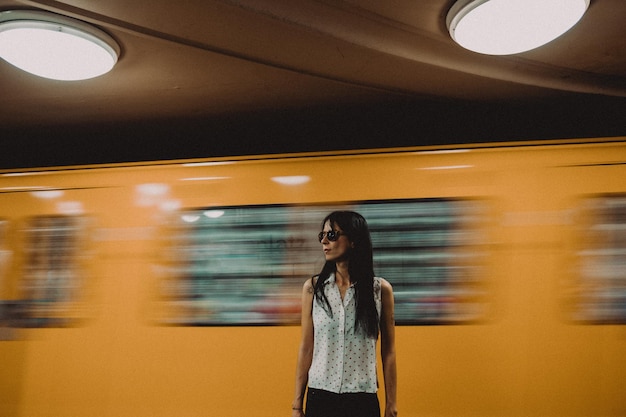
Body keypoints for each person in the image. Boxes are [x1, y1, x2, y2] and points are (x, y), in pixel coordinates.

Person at [291, 211, 397, 417]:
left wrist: (391, 404)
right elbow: (306, 347)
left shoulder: (380, 290)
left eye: (332, 235)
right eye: (321, 235)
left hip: (362, 397)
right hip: (320, 395)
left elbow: (389, 351)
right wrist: (297, 404)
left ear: (354, 240)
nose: (324, 241)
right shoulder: (313, 289)